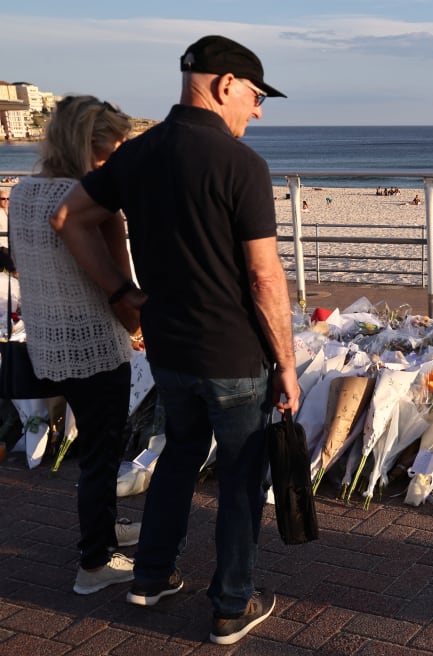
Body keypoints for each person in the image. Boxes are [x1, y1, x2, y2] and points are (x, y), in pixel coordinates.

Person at [51, 35, 299, 646]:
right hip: (234, 353)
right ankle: (230, 607)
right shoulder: (243, 165)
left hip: (169, 347)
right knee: (241, 478)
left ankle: (151, 577)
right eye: (256, 94)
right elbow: (265, 276)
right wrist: (288, 366)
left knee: (180, 455)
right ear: (222, 85)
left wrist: (121, 292)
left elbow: (69, 219)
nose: (259, 109)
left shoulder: (138, 155)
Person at [7, 96, 141, 595]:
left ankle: (102, 528)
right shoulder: (93, 200)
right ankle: (95, 562)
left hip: (49, 344)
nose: (120, 156)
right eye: (114, 148)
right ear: (89, 144)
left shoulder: (22, 193)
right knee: (103, 452)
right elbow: (120, 289)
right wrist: (136, 324)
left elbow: (23, 266)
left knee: (94, 449)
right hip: (96, 345)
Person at [0, 188, 12, 272]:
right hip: (2, 247)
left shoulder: (11, 212)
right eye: (3, 199)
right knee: (16, 271)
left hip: (11, 246)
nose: (6, 200)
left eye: (8, 198)